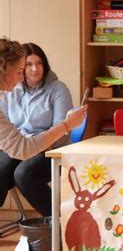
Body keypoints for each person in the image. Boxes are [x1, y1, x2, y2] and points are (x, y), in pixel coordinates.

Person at [0, 38, 87, 213]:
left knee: (24, 173)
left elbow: (18, 143)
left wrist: (65, 126)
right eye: (20, 70)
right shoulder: (8, 93)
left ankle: (57, 223)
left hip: (47, 147)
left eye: (38, 63)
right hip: (24, 145)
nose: (23, 75)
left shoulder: (58, 89)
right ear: (5, 70)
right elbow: (19, 145)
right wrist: (67, 124)